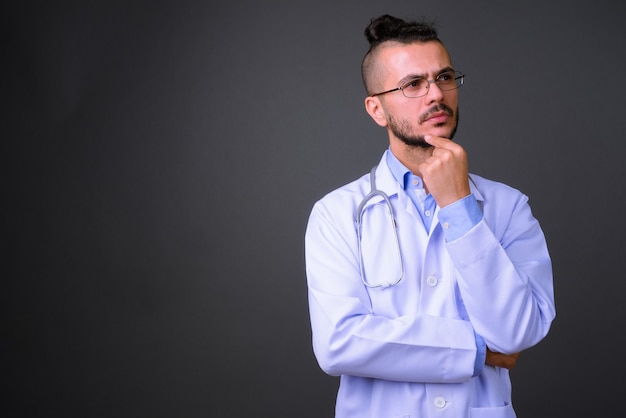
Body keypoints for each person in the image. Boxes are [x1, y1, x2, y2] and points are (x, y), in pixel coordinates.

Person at [304, 14, 555, 418]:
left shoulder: (508, 207)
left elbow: (516, 334)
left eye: (444, 77)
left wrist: (460, 207)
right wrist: (474, 349)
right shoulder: (336, 214)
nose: (435, 94)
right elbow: (339, 343)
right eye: (412, 84)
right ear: (377, 109)